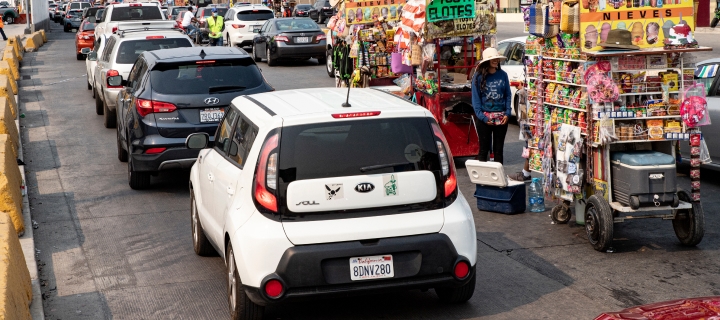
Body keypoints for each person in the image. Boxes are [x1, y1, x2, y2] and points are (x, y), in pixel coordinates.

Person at [471, 47, 511, 165]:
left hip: (502, 118)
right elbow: (476, 99)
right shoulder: (478, 77)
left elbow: (508, 95)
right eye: (493, 59)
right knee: (483, 151)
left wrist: (508, 113)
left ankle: (498, 180)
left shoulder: (503, 75)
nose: (496, 61)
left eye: (497, 59)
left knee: (499, 151)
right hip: (484, 119)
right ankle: (483, 180)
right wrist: (482, 117)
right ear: (486, 62)